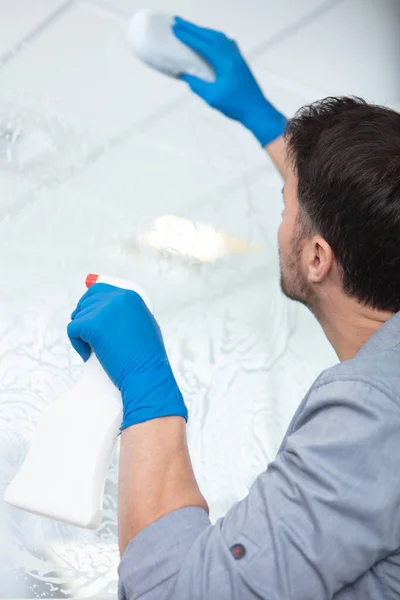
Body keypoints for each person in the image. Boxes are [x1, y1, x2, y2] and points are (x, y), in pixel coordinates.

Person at [67, 17, 400, 600]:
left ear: (318, 257)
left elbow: (180, 592)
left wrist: (148, 392)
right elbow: (367, 221)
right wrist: (266, 121)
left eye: (284, 207)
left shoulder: (372, 416)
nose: (280, 222)